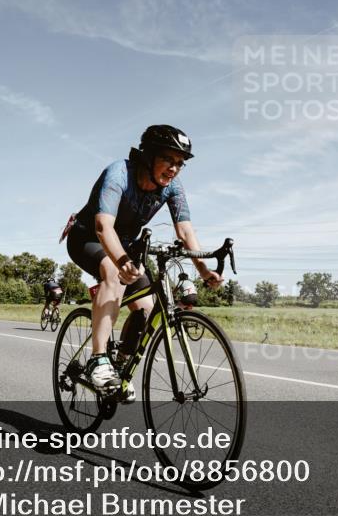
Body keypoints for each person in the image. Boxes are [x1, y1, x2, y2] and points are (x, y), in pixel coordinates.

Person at [65, 125, 222, 393]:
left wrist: (204, 270)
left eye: (180, 164)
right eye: (168, 160)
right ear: (148, 157)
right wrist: (121, 261)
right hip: (87, 237)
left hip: (126, 244)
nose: (174, 169)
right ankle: (98, 360)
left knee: (149, 310)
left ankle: (120, 364)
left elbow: (185, 231)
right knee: (113, 274)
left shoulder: (173, 187)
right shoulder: (119, 173)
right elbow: (103, 226)